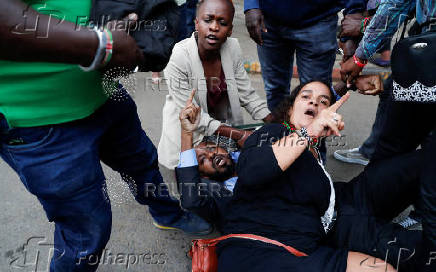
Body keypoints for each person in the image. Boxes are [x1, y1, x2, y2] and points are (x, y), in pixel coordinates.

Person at [0, 0, 211, 271]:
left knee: (142, 162)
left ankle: (166, 213)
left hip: (105, 91)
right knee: (86, 229)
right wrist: (100, 45)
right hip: (37, 120)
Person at [177, 79, 435, 271]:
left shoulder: (277, 135)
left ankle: (420, 211)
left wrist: (354, 81)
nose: (314, 102)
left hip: (348, 195)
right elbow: (249, 171)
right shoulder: (264, 141)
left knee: (422, 161)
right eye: (306, 97)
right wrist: (186, 134)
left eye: (322, 101)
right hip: (332, 228)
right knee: (420, 253)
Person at [158, 0, 272, 169]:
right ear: (197, 24)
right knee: (188, 185)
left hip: (218, 135)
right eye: (208, 20)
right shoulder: (177, 58)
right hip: (188, 136)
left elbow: (246, 94)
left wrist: (277, 122)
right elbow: (194, 118)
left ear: (230, 30)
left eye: (222, 22)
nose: (214, 27)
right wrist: (239, 135)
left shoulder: (232, 48)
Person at [244, 0, 367, 112]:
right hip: (269, 21)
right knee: (275, 89)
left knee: (316, 93)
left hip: (318, 20)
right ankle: (280, 132)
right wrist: (251, 5)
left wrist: (353, 14)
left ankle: (311, 135)